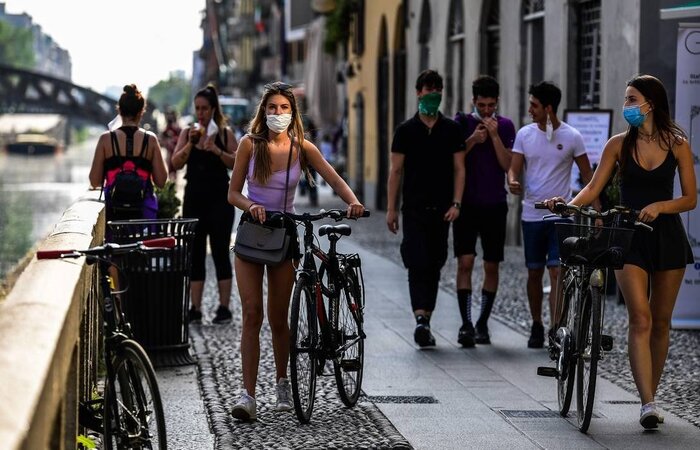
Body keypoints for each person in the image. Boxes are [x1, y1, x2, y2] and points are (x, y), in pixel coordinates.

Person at [544, 75, 696, 429]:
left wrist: (660, 206)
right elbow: (593, 186)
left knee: (661, 322)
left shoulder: (677, 143)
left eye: (632, 99)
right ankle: (646, 402)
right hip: (626, 236)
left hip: (667, 237)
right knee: (640, 317)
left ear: (651, 103)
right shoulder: (618, 144)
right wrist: (568, 203)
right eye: (626, 99)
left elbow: (690, 197)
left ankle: (651, 397)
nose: (627, 105)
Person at [227, 81, 365, 421]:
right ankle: (248, 396)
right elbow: (232, 193)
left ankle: (283, 382)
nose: (277, 113)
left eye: (283, 108)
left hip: (284, 236)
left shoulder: (301, 148)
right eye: (272, 108)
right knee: (251, 313)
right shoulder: (249, 144)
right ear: (263, 112)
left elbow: (334, 178)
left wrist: (353, 201)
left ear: (292, 113)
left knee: (278, 318)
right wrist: (251, 205)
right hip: (251, 234)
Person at [508, 81, 597, 348]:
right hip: (532, 214)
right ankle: (536, 323)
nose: (530, 109)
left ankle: (556, 328)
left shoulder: (572, 137)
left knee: (557, 271)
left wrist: (598, 210)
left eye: (534, 105)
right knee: (534, 273)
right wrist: (512, 181)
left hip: (561, 215)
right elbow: (514, 169)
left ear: (548, 108)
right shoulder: (525, 134)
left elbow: (588, 177)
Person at [387, 70, 466, 348]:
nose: (433, 94)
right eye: (428, 89)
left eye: (437, 89)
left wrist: (457, 202)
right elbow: (396, 171)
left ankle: (426, 318)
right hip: (414, 208)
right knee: (416, 260)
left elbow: (459, 168)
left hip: (443, 209)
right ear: (418, 92)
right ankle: (420, 317)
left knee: (435, 263)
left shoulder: (452, 130)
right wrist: (391, 209)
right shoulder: (405, 131)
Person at [452, 75, 515, 347]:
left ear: (497, 102)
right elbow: (452, 160)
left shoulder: (506, 125)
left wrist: (493, 136)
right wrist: (472, 140)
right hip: (465, 204)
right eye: (482, 105)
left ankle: (482, 322)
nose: (487, 110)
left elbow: (506, 164)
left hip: (494, 205)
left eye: (491, 105)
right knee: (465, 262)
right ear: (473, 101)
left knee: (491, 264)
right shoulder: (461, 123)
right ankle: (466, 323)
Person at [172, 85, 238, 325]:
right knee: (195, 254)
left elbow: (238, 162)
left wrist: (216, 150)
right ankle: (195, 308)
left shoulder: (223, 133)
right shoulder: (188, 133)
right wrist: (192, 145)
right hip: (194, 201)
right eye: (197, 108)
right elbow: (176, 163)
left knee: (221, 252)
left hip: (219, 202)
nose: (200, 113)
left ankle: (224, 308)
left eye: (204, 109)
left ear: (213, 110)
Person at [89, 84, 168, 226]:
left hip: (114, 215)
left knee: (116, 247)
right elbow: (161, 181)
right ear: (141, 112)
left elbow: (94, 181)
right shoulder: (150, 140)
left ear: (119, 110)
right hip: (144, 215)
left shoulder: (106, 139)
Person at [159, 110, 182, 181]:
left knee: (173, 171)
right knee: (170, 171)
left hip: (175, 153)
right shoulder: (167, 129)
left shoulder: (177, 129)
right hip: (170, 154)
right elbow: (161, 141)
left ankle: (172, 186)